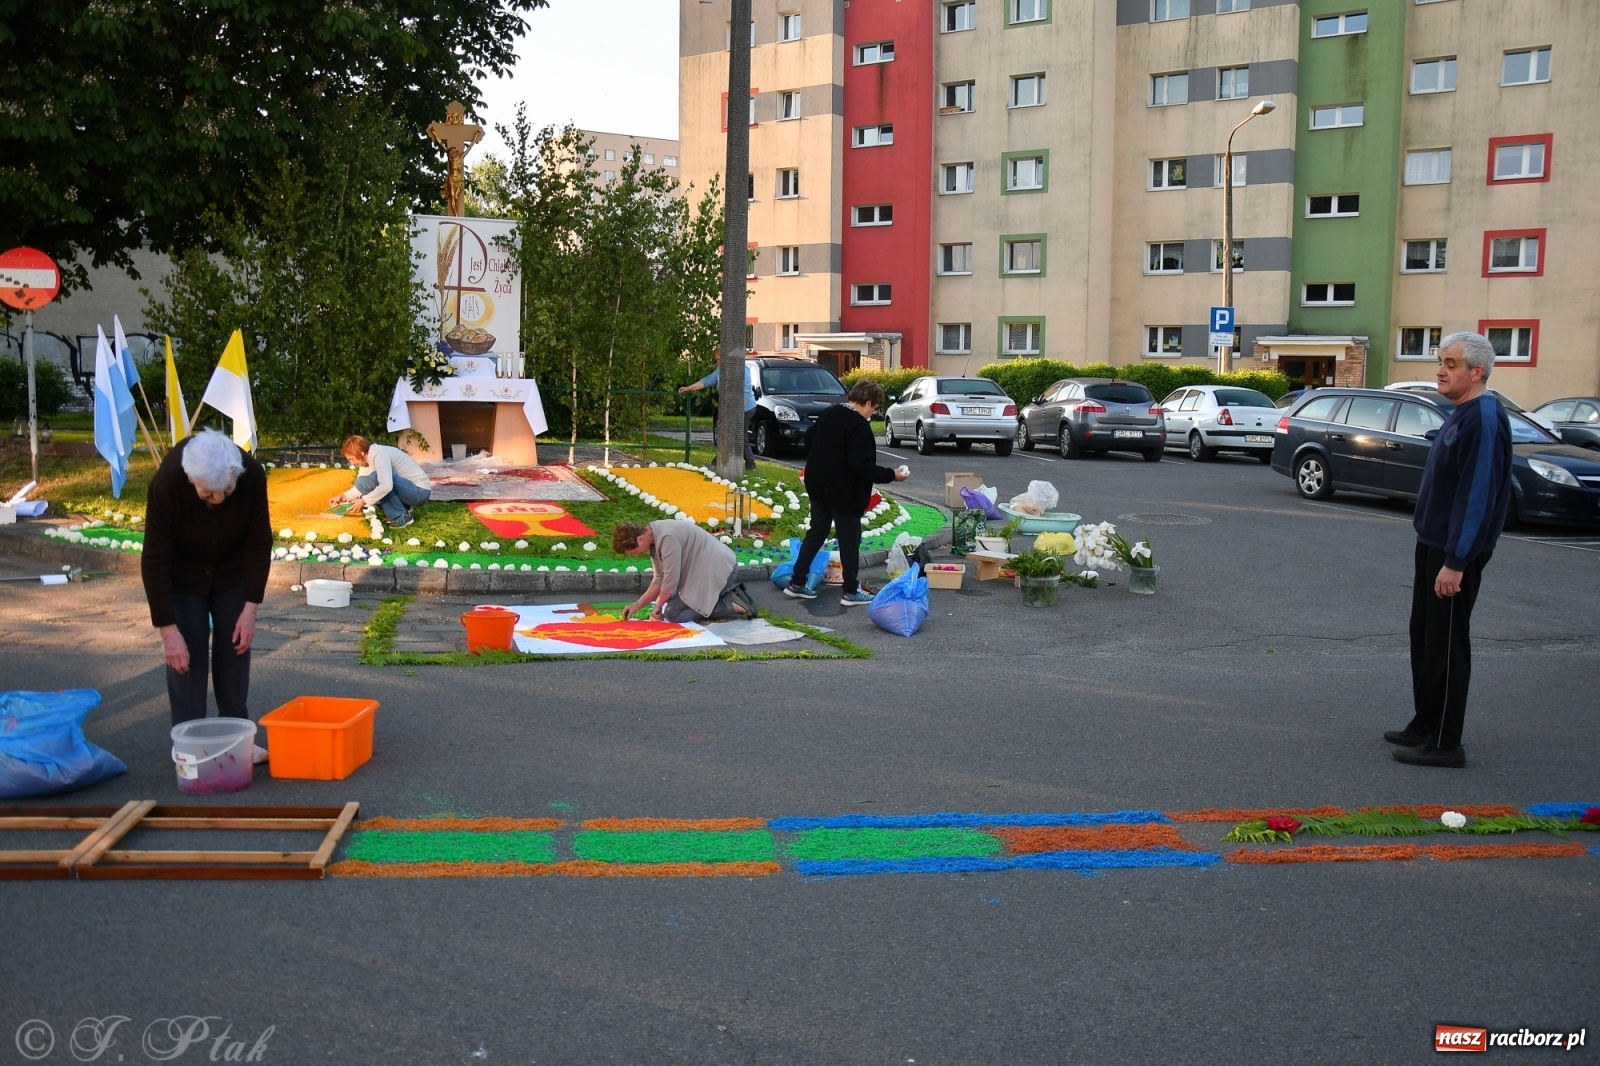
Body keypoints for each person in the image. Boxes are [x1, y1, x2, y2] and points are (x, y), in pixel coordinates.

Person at [1386, 332, 1512, 768]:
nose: (1441, 370)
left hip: (1453, 554)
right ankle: (1424, 722)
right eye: (1441, 361)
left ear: (1477, 373)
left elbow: (1477, 494)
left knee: (1446, 645)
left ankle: (1445, 742)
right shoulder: (1462, 411)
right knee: (1424, 637)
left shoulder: (1484, 417)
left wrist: (1456, 561)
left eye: (1451, 364)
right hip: (1433, 544)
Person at [141, 429, 273, 757]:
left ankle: (236, 740)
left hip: (231, 572)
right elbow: (154, 558)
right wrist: (168, 632)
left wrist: (250, 609)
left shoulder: (251, 475)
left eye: (225, 491)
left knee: (236, 647)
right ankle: (188, 744)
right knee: (187, 657)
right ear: (190, 478)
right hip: (183, 576)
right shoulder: (168, 482)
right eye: (207, 493)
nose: (218, 499)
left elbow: (259, 543)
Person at [784, 380, 909, 607]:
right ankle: (851, 590)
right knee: (850, 539)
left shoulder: (830, 413)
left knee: (817, 532)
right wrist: (892, 474)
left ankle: (797, 582)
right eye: (874, 408)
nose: (872, 413)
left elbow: (810, 439)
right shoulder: (858, 425)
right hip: (843, 490)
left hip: (818, 484)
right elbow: (861, 465)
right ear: (868, 402)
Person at [614, 520, 756, 622]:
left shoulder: (666, 537)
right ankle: (716, 598)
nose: (636, 554)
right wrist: (637, 605)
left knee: (672, 614)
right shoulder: (654, 538)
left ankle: (732, 604)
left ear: (640, 538)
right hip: (702, 573)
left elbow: (670, 582)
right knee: (671, 605)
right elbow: (659, 579)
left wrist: (657, 607)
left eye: (634, 551)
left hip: (721, 570)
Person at [329, 435, 432, 528]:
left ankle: (401, 516)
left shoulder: (379, 455)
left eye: (351, 459)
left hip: (420, 493)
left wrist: (363, 501)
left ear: (361, 453)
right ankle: (403, 510)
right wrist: (343, 497)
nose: (351, 463)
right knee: (361, 481)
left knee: (376, 478)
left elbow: (386, 486)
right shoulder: (366, 459)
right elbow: (361, 487)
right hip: (409, 490)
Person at [679, 360, 758, 472]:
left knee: (735, 435)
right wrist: (688, 388)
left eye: (719, 358)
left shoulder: (741, 368)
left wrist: (740, 403)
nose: (717, 361)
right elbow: (707, 381)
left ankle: (748, 465)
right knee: (732, 435)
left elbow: (745, 387)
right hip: (732, 408)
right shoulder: (721, 369)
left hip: (745, 408)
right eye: (716, 359)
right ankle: (747, 465)